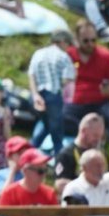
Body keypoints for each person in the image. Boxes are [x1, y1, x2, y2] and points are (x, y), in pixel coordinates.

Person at [62, 20, 109, 149]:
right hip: (74, 104)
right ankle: (93, 135)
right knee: (59, 117)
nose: (90, 44)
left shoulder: (106, 56)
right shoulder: (67, 56)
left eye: (94, 40)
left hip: (100, 103)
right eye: (86, 41)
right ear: (76, 39)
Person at [28, 28, 76, 156]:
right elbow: (68, 78)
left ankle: (28, 152)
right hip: (53, 95)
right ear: (62, 41)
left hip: (37, 95)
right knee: (57, 133)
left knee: (46, 125)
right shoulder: (63, 56)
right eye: (68, 44)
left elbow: (31, 74)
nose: (68, 47)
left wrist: (35, 94)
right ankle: (60, 162)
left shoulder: (38, 53)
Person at [0, 147, 59, 216]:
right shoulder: (9, 193)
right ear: (25, 171)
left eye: (45, 170)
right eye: (40, 171)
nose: (43, 175)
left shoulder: (50, 193)